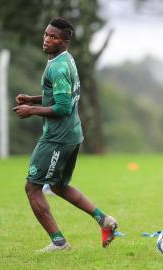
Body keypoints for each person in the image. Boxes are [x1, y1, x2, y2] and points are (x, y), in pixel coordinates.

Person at [13, 17, 118, 252]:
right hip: (72, 134)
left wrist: (31, 110)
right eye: (46, 34)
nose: (47, 39)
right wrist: (33, 98)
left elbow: (62, 107)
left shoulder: (59, 66)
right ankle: (105, 221)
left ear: (65, 41)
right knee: (59, 186)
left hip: (57, 138)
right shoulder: (65, 60)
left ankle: (59, 242)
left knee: (32, 187)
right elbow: (63, 95)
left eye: (53, 37)